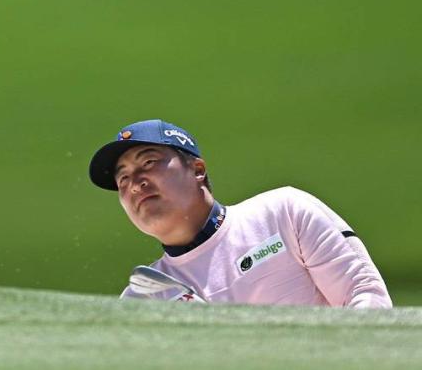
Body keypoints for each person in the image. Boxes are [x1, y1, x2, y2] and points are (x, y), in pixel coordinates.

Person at [88, 119, 392, 308]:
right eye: (123, 179)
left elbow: (365, 297)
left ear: (197, 170)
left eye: (149, 162)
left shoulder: (283, 212)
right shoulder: (146, 297)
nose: (136, 184)